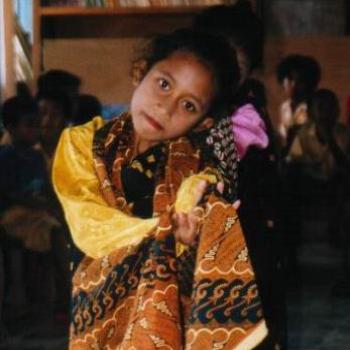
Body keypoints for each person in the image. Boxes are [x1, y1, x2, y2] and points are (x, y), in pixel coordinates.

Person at [53, 28, 268, 349]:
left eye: (189, 106)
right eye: (164, 84)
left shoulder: (196, 175)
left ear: (204, 123)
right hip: (94, 313)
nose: (165, 108)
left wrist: (196, 236)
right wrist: (164, 230)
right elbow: (89, 225)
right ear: (140, 72)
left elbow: (195, 243)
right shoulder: (80, 144)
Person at [193, 3, 285, 349]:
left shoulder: (244, 114)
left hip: (244, 239)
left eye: (237, 63)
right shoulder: (196, 104)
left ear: (252, 65)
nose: (225, 73)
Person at [276, 54, 321, 151]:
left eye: (299, 81)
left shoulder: (316, 107)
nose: (294, 85)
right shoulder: (284, 107)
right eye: (290, 79)